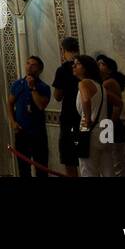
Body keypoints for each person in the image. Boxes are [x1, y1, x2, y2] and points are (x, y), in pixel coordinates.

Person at [8, 56, 51, 176]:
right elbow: (10, 103)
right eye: (27, 63)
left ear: (39, 69)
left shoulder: (44, 87)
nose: (29, 66)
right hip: (22, 133)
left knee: (41, 168)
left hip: (38, 133)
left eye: (33, 65)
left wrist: (32, 88)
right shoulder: (17, 85)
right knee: (23, 169)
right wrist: (12, 121)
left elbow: (41, 105)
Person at [74, 54, 112, 176]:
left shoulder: (83, 83)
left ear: (86, 68)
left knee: (88, 170)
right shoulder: (100, 86)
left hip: (91, 130)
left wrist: (87, 120)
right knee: (107, 170)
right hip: (106, 128)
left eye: (78, 64)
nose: (74, 66)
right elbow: (119, 103)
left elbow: (86, 100)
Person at [51, 36, 82, 176]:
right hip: (88, 118)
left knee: (70, 158)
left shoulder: (63, 69)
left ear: (63, 50)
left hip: (70, 117)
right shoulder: (88, 65)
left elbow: (57, 96)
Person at [97, 53, 125, 176]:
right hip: (111, 127)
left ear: (110, 69)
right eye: (97, 63)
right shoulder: (105, 82)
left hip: (112, 128)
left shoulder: (108, 83)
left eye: (102, 64)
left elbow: (117, 106)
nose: (98, 66)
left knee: (115, 164)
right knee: (114, 164)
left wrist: (108, 127)